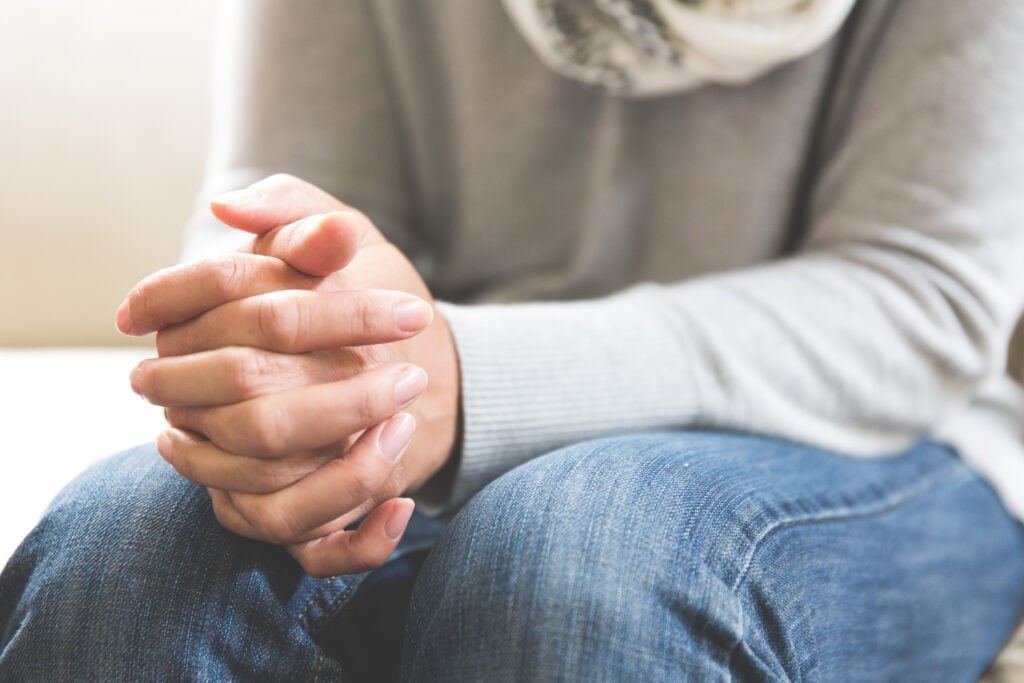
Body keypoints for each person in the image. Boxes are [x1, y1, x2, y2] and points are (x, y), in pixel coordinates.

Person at [3, 0, 1024, 680]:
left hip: (877, 441)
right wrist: (296, 388)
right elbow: (278, 213)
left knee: (584, 549)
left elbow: (918, 298)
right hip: (425, 418)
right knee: (126, 546)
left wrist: (459, 378)